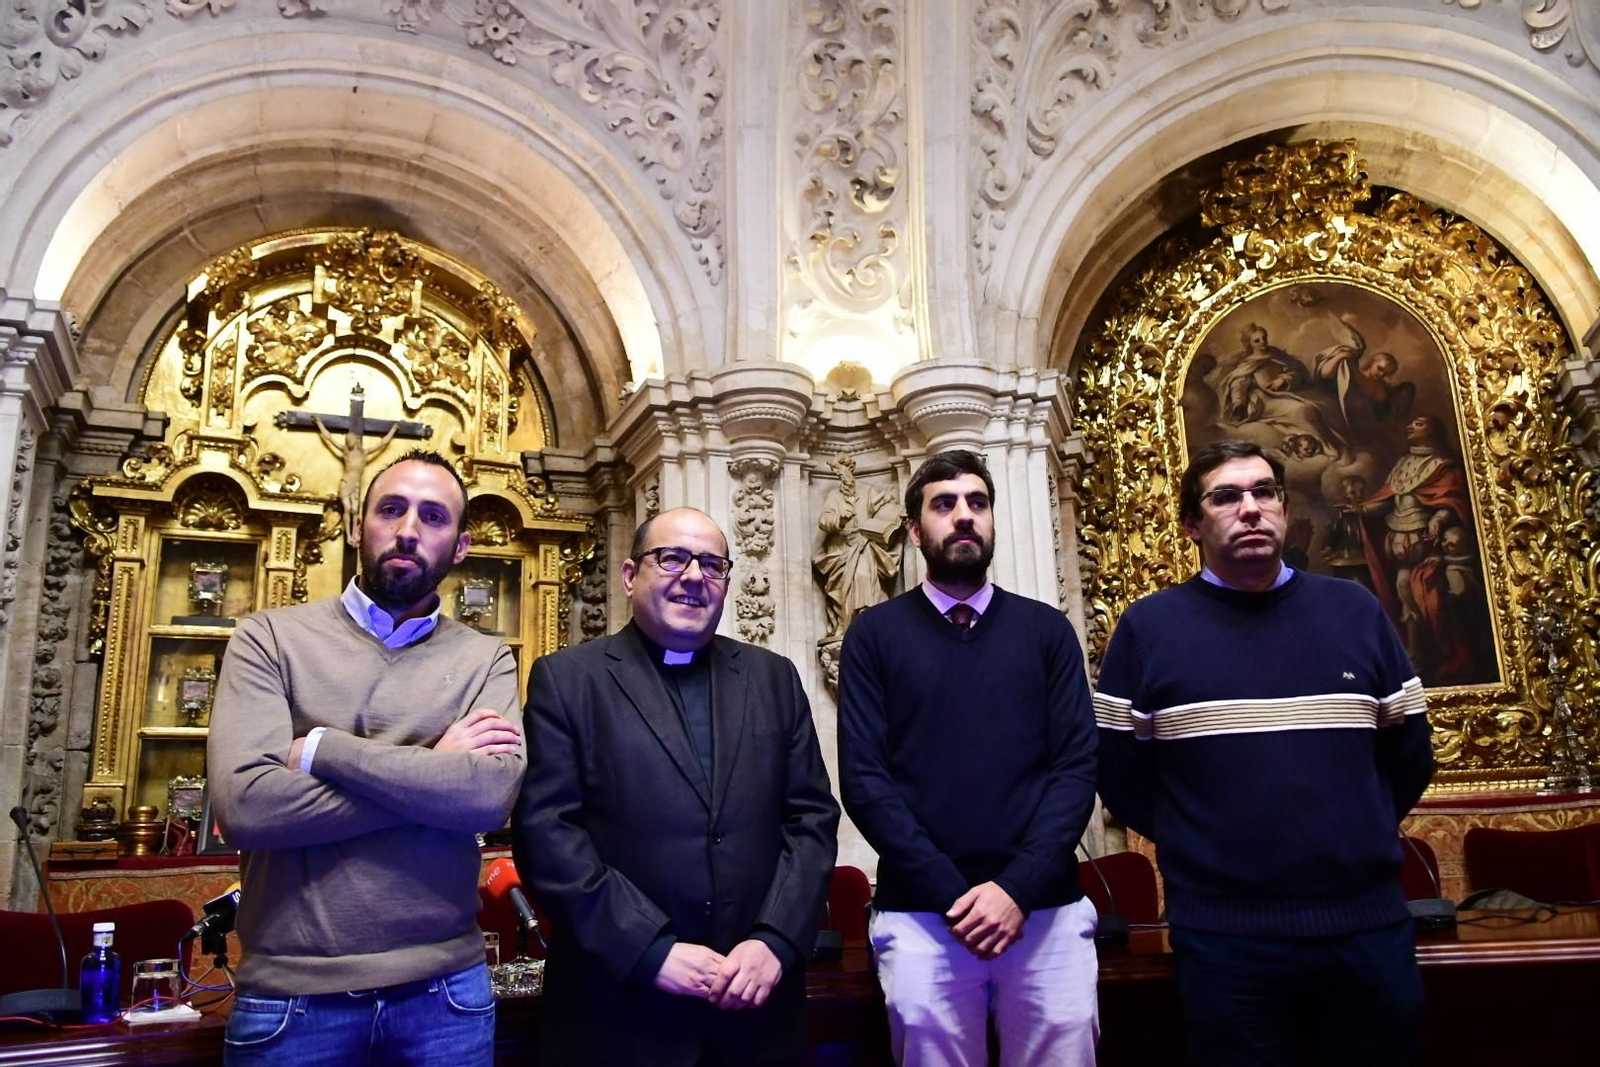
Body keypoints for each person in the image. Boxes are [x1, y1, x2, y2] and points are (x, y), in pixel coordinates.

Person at [1094, 439, 1435, 1067]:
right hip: (1227, 941)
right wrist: (1207, 846)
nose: (1250, 508)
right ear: (1193, 525)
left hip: (1365, 929)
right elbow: (1120, 776)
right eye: (1226, 496)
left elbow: (1409, 753)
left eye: (1264, 493)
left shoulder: (1354, 611)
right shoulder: (1149, 630)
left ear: (1283, 506)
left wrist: (1348, 828)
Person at [208, 449, 525, 1066]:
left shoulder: (486, 659)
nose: (408, 529)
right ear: (359, 525)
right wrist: (434, 771)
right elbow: (246, 806)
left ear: (460, 548)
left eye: (434, 517)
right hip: (292, 1001)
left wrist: (325, 749)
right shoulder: (268, 639)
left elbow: (485, 798)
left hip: (446, 996)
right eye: (391, 509)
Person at [514, 507, 840, 1066]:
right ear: (628, 575)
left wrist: (776, 941)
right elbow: (548, 836)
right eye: (672, 558)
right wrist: (648, 949)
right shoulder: (568, 681)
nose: (694, 576)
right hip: (620, 1013)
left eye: (712, 564)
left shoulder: (773, 678)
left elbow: (811, 820)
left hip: (756, 1013)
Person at [837, 450, 1101, 1066]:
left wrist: (1015, 889)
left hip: (1045, 913)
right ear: (913, 530)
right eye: (944, 504)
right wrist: (956, 894)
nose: (963, 517)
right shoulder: (874, 636)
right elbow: (866, 780)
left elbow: (1076, 768)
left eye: (977, 504)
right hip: (925, 917)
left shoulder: (1046, 631)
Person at [813, 453, 906, 641]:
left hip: (864, 548)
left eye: (840, 469)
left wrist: (893, 511)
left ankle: (868, 623)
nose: (839, 474)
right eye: (835, 471)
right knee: (842, 592)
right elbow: (824, 520)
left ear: (849, 469)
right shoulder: (834, 496)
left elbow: (884, 507)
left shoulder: (867, 491)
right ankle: (845, 626)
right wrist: (840, 519)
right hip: (843, 551)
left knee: (865, 578)